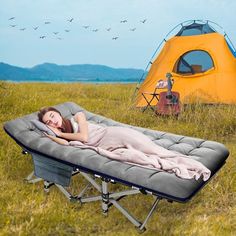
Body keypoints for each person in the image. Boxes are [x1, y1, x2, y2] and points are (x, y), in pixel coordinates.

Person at [38, 106, 211, 180]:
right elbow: (65, 143)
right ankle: (182, 170)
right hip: (111, 146)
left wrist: (60, 133)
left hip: (118, 135)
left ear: (58, 113)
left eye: (52, 116)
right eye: (48, 122)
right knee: (144, 158)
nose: (52, 122)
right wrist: (53, 135)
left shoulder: (78, 117)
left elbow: (83, 137)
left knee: (158, 152)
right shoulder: (63, 134)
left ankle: (195, 167)